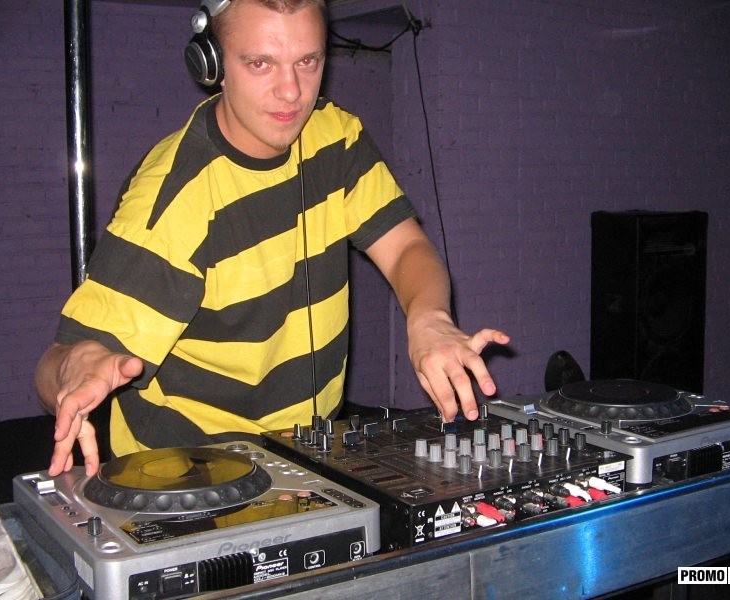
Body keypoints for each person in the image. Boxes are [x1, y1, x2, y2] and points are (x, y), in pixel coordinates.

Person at [35, 0, 510, 478]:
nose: (292, 92)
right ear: (212, 63)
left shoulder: (335, 137)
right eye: (261, 63)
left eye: (308, 61)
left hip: (305, 459)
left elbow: (405, 246)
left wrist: (428, 318)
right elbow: (59, 362)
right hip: (187, 481)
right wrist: (79, 366)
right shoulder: (176, 199)